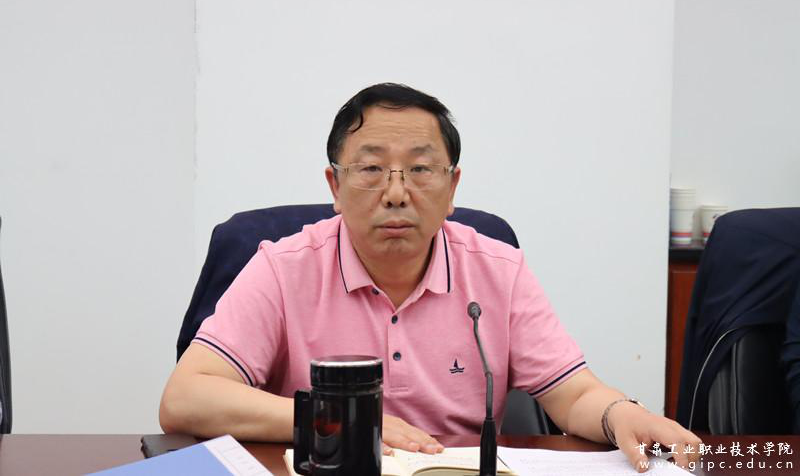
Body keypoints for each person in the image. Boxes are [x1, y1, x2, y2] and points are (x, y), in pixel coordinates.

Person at [160, 83, 701, 471]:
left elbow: (573, 394)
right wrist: (337, 418)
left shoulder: (499, 270)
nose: (397, 193)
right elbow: (185, 399)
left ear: (452, 186)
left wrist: (620, 413)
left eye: (420, 169)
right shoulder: (283, 267)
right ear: (335, 186)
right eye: (371, 169)